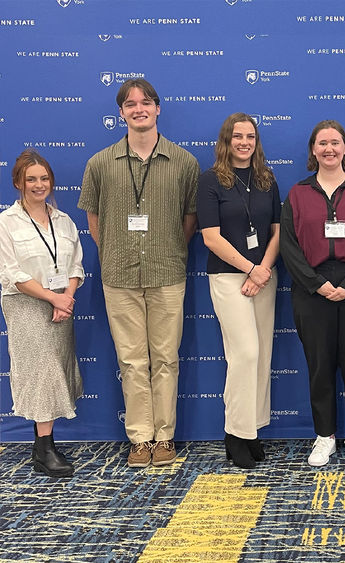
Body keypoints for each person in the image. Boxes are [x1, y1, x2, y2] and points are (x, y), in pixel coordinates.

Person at [78, 78, 199, 467]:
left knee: (166, 359)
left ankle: (164, 437)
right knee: (131, 361)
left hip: (167, 272)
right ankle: (140, 439)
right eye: (130, 104)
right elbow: (94, 221)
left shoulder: (184, 163)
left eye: (145, 102)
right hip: (120, 276)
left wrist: (165, 250)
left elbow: (189, 221)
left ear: (158, 108)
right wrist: (117, 249)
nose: (138, 109)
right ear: (121, 113)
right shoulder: (99, 163)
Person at [280, 120, 345, 467]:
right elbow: (290, 247)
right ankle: (324, 436)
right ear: (313, 150)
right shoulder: (297, 194)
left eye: (335, 142)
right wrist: (317, 284)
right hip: (312, 290)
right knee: (319, 366)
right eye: (322, 143)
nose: (329, 149)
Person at [197, 113, 280, 469]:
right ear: (226, 141)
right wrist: (250, 269)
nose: (244, 142)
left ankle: (253, 430)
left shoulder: (266, 179)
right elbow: (210, 237)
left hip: (265, 276)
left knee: (261, 354)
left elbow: (277, 232)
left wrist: (262, 271)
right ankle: (235, 433)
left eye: (250, 137)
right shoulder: (210, 180)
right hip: (229, 278)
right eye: (237, 136)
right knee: (244, 353)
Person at [0, 150, 84, 477]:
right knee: (42, 368)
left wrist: (66, 298)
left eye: (44, 178)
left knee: (57, 367)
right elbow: (10, 273)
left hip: (62, 303)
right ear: (18, 182)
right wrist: (53, 298)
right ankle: (44, 449)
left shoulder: (63, 221)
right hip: (26, 303)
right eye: (31, 179)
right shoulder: (6, 222)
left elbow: (76, 265)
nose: (39, 185)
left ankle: (43, 443)